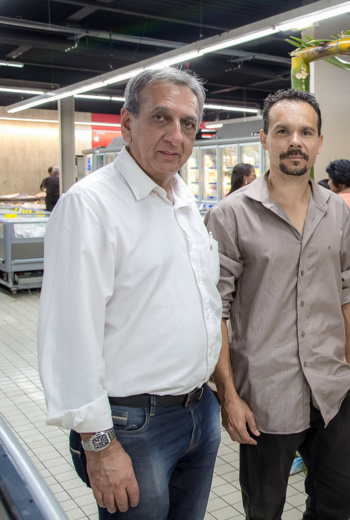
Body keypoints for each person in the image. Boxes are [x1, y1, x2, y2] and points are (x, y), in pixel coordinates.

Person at [38, 68, 223, 520]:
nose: (175, 135)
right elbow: (69, 336)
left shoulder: (183, 201)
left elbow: (203, 303)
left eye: (187, 124)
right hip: (134, 428)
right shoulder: (91, 206)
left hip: (199, 412)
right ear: (126, 124)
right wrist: (99, 446)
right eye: (161, 118)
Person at [204, 88, 350, 520]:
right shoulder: (231, 215)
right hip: (265, 394)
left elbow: (347, 291)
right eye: (283, 131)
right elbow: (215, 311)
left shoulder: (335, 210)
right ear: (265, 138)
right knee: (264, 509)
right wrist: (228, 394)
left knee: (337, 501)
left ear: (318, 141)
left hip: (330, 388)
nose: (295, 141)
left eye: (306, 132)